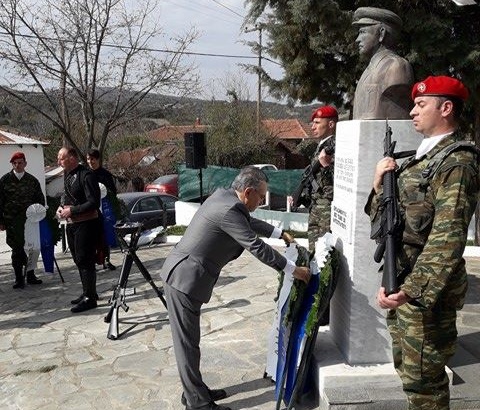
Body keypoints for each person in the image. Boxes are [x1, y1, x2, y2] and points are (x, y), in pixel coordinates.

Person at [365, 76, 480, 409]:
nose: (413, 111)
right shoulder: (420, 160)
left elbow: (448, 239)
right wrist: (377, 186)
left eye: (420, 104)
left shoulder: (456, 163)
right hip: (402, 281)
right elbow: (387, 223)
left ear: (445, 108)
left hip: (426, 295)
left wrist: (412, 289)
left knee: (425, 381)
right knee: (410, 373)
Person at [160, 166, 311, 410]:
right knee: (187, 344)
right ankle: (197, 403)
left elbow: (247, 222)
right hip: (184, 279)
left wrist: (279, 232)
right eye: (260, 197)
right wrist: (294, 269)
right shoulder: (229, 209)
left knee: (190, 342)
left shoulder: (224, 196)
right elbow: (256, 247)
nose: (261, 201)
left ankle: (194, 391)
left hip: (186, 277)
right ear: (248, 192)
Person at [57, 147, 102, 313]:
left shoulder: (87, 175)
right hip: (72, 223)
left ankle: (91, 299)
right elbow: (68, 197)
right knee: (78, 259)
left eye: (61, 158)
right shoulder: (68, 175)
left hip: (87, 223)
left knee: (85, 259)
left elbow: (93, 202)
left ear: (71, 157)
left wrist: (73, 210)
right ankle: (87, 292)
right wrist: (61, 208)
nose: (58, 162)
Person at [352, 7, 414, 120]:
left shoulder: (397, 66)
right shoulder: (368, 70)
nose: (357, 39)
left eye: (362, 32)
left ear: (381, 33)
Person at [0, 152, 45, 289]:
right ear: (12, 164)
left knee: (32, 248)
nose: (18, 165)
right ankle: (19, 278)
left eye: (20, 162)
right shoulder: (4, 180)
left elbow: (40, 200)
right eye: (15, 163)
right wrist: (1, 221)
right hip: (12, 222)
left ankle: (30, 275)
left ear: (25, 163)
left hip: (29, 222)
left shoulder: (32, 181)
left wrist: (39, 216)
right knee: (17, 249)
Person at [306, 105, 338, 250]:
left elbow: (336, 177)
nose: (313, 127)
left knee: (323, 249)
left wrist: (326, 166)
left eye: (317, 123)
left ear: (331, 124)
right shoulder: (321, 147)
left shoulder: (335, 146)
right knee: (313, 248)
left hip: (326, 205)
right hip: (316, 204)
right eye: (313, 123)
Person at [87, 148, 117, 270]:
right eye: (88, 159)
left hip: (104, 210)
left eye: (92, 159)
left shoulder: (106, 175)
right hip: (90, 210)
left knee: (105, 235)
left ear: (98, 159)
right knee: (92, 237)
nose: (90, 161)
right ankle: (92, 261)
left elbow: (113, 192)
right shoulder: (85, 174)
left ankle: (106, 259)